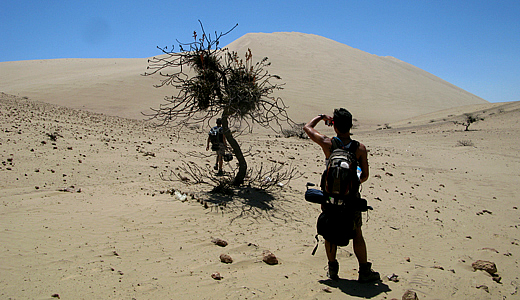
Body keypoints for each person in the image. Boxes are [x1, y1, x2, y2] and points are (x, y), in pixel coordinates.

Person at [304, 108, 380, 282]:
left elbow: (307, 127)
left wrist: (321, 117)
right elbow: (365, 176)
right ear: (351, 125)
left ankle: (332, 271)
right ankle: (364, 272)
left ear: (334, 126)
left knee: (330, 233)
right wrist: (351, 183)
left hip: (330, 199)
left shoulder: (328, 143)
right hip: (351, 199)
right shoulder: (359, 148)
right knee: (357, 233)